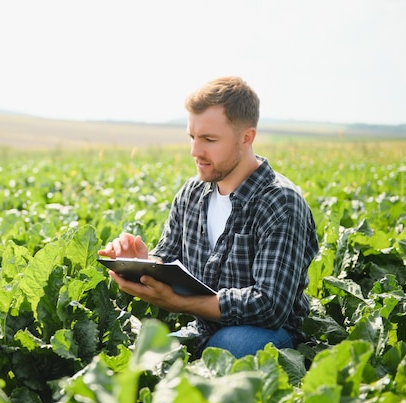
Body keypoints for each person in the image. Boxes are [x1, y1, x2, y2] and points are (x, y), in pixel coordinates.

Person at [97, 76, 319, 358]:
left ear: (246, 137)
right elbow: (168, 257)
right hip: (203, 329)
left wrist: (180, 303)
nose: (195, 151)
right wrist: (143, 264)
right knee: (140, 359)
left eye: (209, 139)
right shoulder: (192, 192)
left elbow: (270, 307)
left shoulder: (280, 202)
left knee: (227, 349)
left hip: (267, 333)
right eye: (192, 137)